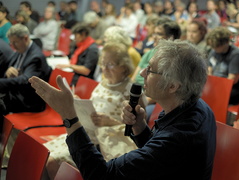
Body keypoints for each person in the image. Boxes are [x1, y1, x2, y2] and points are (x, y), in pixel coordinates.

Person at [29, 39, 216, 179]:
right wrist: (140, 127)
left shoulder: (179, 136)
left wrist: (69, 116)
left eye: (150, 70)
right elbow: (159, 157)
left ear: (173, 86)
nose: (142, 73)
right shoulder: (194, 106)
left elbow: (100, 175)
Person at [42, 42, 146, 180]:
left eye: (111, 64)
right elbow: (93, 107)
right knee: (43, 155)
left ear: (124, 66)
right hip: (88, 132)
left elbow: (138, 129)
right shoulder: (103, 83)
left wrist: (110, 122)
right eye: (103, 63)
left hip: (108, 141)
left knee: (52, 162)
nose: (104, 68)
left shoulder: (131, 90)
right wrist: (79, 103)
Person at [1, 24, 52, 114]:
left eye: (15, 42)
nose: (13, 46)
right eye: (11, 43)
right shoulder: (20, 50)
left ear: (25, 38)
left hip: (28, 100)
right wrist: (8, 70)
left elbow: (26, 80)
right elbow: (10, 68)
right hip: (17, 93)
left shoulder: (36, 57)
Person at [206, 27, 239, 105]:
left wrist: (213, 89)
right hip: (216, 85)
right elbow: (209, 70)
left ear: (225, 43)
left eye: (216, 46)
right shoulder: (214, 51)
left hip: (232, 90)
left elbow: (232, 81)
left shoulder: (236, 55)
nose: (213, 48)